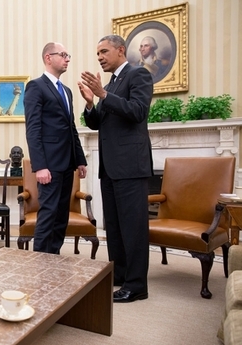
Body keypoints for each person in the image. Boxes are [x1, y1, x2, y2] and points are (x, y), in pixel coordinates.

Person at [78, 35, 153, 303]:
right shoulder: (110, 84)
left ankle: (137, 285)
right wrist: (90, 102)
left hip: (131, 167)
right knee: (116, 227)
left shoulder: (138, 75)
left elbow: (138, 112)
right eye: (97, 52)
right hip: (109, 168)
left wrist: (102, 95)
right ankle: (120, 275)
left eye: (104, 51)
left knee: (133, 227)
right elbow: (97, 123)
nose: (99, 56)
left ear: (121, 50)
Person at [24, 42, 87, 255]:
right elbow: (33, 129)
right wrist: (39, 166)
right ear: (48, 58)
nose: (67, 59)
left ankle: (55, 256)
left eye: (68, 55)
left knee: (62, 215)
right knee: (48, 213)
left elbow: (71, 127)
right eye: (63, 55)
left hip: (67, 163)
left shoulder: (67, 92)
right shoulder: (36, 86)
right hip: (48, 165)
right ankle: (41, 259)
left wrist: (80, 159)